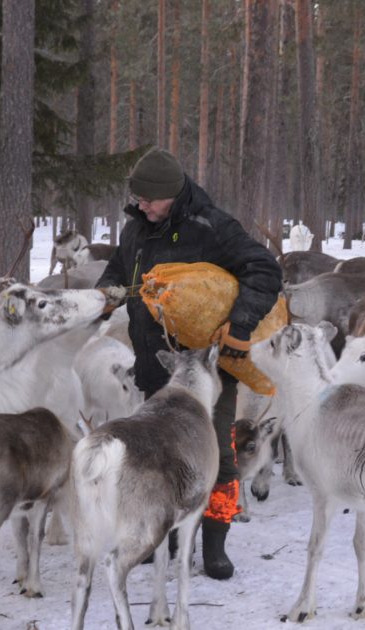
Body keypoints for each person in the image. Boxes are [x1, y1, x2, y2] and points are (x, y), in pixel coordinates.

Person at [96, 148, 284, 580]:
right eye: (137, 198)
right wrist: (107, 293)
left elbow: (264, 270)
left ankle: (214, 544)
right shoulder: (135, 229)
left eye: (149, 199)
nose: (141, 205)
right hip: (154, 363)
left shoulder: (212, 228)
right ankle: (164, 536)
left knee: (216, 453)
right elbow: (119, 270)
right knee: (157, 457)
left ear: (172, 194)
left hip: (206, 370)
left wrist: (241, 325)